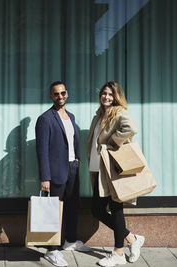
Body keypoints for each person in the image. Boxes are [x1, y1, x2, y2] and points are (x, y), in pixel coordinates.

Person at [86, 81, 145, 267]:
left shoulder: (119, 112)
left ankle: (118, 252)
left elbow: (132, 129)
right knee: (97, 210)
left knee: (116, 208)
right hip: (99, 168)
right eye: (104, 93)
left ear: (116, 97)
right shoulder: (99, 114)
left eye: (111, 95)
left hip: (112, 169)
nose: (107, 97)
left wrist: (114, 139)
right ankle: (133, 238)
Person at [35, 81, 91, 267]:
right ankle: (52, 250)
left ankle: (71, 241)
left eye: (63, 93)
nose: (60, 97)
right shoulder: (45, 119)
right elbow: (41, 150)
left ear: (67, 94)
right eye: (56, 94)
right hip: (55, 172)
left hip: (72, 169)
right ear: (51, 96)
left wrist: (77, 159)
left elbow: (74, 139)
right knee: (53, 212)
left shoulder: (71, 116)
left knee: (73, 207)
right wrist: (45, 177)